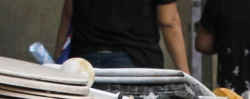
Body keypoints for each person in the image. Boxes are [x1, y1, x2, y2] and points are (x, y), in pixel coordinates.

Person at [54, 0, 190, 73]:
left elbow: (68, 14)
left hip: (83, 62)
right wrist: (187, 78)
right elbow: (168, 22)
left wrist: (56, 64)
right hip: (135, 61)